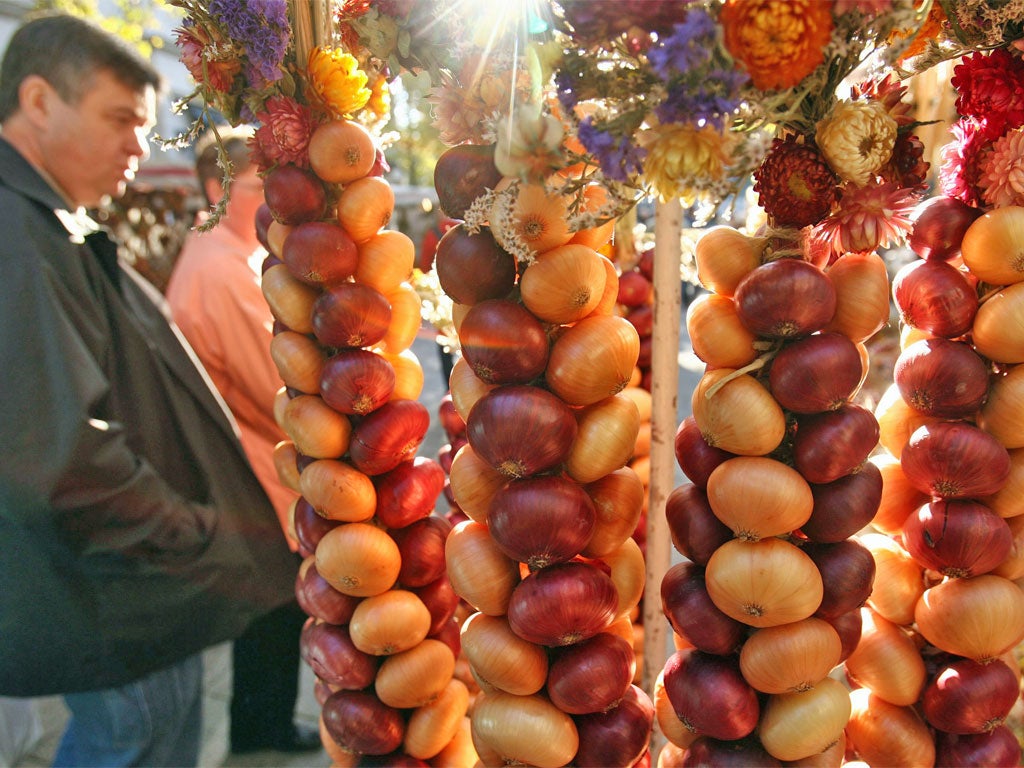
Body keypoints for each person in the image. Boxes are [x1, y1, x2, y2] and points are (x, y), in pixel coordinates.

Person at [0, 13, 297, 768]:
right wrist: (198, 536)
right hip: (118, 599)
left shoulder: (47, 221)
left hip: (134, 594)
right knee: (132, 744)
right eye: (121, 119)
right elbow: (61, 461)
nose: (139, 143)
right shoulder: (19, 235)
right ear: (38, 102)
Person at [166, 127, 319, 754]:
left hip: (248, 465)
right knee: (272, 614)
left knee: (272, 612)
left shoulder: (228, 254)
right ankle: (262, 733)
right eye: (258, 187)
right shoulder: (221, 268)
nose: (270, 200)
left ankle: (262, 726)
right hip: (253, 469)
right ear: (215, 187)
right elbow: (270, 386)